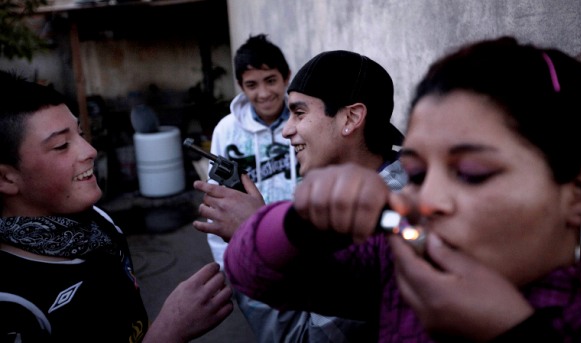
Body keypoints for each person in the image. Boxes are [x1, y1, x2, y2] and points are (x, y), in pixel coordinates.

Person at [223, 36, 581, 342]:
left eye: (471, 172)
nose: (426, 200)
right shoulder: (403, 255)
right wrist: (296, 224)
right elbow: (256, 276)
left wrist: (512, 332)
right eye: (416, 172)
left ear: (580, 194)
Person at [0, 70, 233, 342]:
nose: (89, 151)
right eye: (62, 145)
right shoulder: (11, 300)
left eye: (81, 133)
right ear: (6, 177)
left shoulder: (99, 222)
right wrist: (168, 332)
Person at [197, 50, 407, 342]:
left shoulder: (376, 227)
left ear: (351, 117)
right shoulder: (356, 196)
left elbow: (303, 338)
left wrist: (253, 242)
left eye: (299, 113)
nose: (286, 130)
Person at [192, 33, 297, 267]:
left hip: (303, 249)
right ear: (241, 86)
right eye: (252, 84)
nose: (263, 93)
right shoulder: (227, 132)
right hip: (251, 254)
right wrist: (228, 265)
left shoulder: (304, 122)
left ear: (286, 77)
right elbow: (217, 202)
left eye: (271, 80)